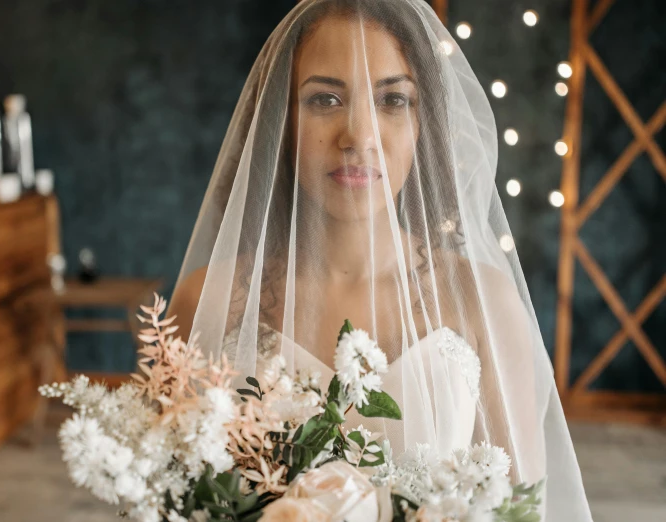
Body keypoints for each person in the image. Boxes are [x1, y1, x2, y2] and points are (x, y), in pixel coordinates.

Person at [168, 0, 593, 519]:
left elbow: (520, 509)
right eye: (325, 99)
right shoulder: (207, 301)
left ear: (423, 122)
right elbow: (172, 501)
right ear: (280, 121)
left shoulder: (484, 303)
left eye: (393, 99)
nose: (359, 137)